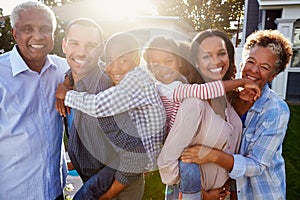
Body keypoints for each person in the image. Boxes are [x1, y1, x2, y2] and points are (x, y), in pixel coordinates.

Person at [180, 29, 293, 200]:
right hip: (223, 189)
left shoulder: (275, 110)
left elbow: (257, 165)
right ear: (241, 62)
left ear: (273, 75)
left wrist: (212, 155)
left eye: (264, 67)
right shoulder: (226, 97)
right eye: (251, 61)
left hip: (259, 192)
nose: (254, 70)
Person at [56, 32, 166, 199]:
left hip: (136, 161)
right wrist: (67, 80)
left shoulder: (135, 79)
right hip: (128, 159)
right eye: (109, 60)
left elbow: (98, 106)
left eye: (123, 60)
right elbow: (88, 65)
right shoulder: (124, 73)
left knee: (86, 195)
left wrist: (66, 95)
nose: (114, 67)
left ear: (136, 59)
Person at [157, 29, 260, 200]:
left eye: (221, 53)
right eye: (206, 56)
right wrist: (198, 193)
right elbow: (166, 164)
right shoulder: (193, 103)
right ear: (196, 62)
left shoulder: (227, 100)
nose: (215, 61)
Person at [0, 1, 69, 199]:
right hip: (13, 193)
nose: (38, 36)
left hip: (55, 190)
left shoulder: (63, 69)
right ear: (14, 33)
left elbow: (101, 72)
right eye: (28, 29)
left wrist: (67, 83)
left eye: (45, 29)